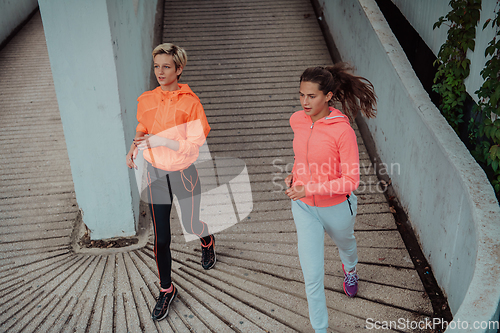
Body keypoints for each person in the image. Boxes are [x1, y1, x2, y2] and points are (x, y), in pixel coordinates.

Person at [125, 43, 216, 321]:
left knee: (191, 224)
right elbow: (144, 126)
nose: (160, 72)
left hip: (184, 173)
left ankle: (207, 239)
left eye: (166, 66)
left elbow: (194, 146)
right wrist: (134, 145)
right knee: (162, 237)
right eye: (156, 66)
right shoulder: (147, 99)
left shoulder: (191, 103)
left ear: (179, 68)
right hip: (155, 173)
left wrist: (163, 140)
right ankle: (167, 289)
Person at [285, 63, 376, 333]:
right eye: (301, 95)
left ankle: (350, 269)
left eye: (311, 96)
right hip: (303, 207)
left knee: (346, 245)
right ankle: (321, 329)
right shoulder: (297, 120)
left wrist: (309, 187)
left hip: (337, 206)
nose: (304, 102)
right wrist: (293, 177)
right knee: (312, 276)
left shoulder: (342, 132)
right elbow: (300, 156)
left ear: (328, 96)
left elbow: (351, 181)